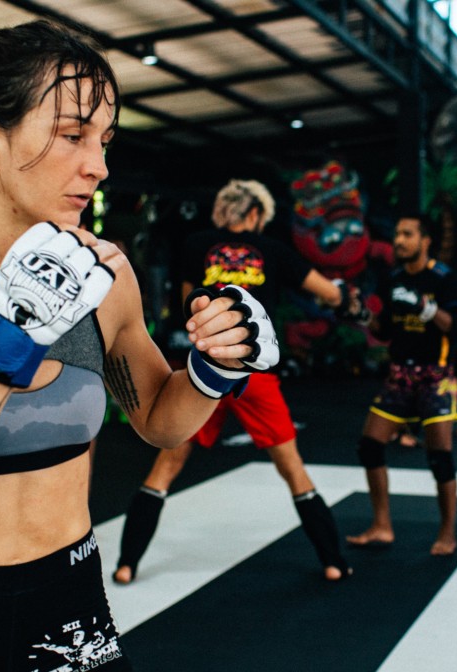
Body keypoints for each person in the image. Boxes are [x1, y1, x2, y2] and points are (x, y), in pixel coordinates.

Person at [0, 21, 278, 672]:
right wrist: (6, 339)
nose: (98, 166)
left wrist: (215, 366)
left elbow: (159, 421)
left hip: (72, 604)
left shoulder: (105, 275)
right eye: (73, 135)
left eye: (103, 141)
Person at [113, 179, 353, 584]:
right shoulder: (273, 249)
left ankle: (126, 564)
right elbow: (328, 292)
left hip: (203, 369)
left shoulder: (197, 244)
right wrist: (348, 299)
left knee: (166, 466)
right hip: (255, 372)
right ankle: (333, 561)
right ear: (256, 213)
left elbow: (192, 307)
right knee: (292, 468)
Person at [345, 215, 457, 556]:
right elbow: (383, 330)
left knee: (440, 456)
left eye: (406, 234)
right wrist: (359, 313)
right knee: (369, 446)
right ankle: (382, 526)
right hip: (400, 374)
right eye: (397, 234)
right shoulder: (393, 278)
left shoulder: (443, 278)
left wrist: (425, 308)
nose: (399, 240)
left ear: (424, 240)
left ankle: (448, 533)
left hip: (437, 376)